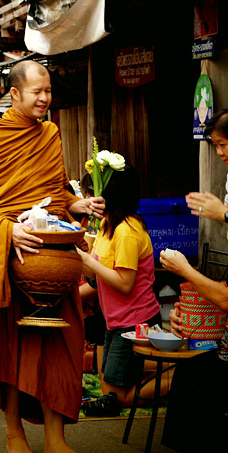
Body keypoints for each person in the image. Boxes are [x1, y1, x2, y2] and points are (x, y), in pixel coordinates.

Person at [0, 61, 98, 453]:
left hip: (53, 256)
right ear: (14, 94)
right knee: (13, 350)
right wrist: (6, 230)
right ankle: (14, 432)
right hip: (13, 259)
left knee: (63, 346)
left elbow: (54, 192)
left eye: (48, 90)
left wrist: (76, 203)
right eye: (36, 91)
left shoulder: (50, 134)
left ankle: (56, 441)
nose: (45, 98)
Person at [160, 107, 228, 453]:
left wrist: (185, 270)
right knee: (188, 377)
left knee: (203, 393)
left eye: (223, 144)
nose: (219, 153)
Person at [76, 165, 163, 416]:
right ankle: (150, 367)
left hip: (135, 320)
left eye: (91, 195)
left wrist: (89, 261)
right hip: (116, 319)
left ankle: (176, 377)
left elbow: (125, 283)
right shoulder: (107, 225)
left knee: (118, 398)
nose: (87, 201)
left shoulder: (127, 230)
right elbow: (94, 277)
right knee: (108, 387)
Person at [185, 108, 228, 251]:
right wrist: (210, 206)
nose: (219, 152)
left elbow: (227, 214)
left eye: (223, 144)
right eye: (216, 145)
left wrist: (223, 213)